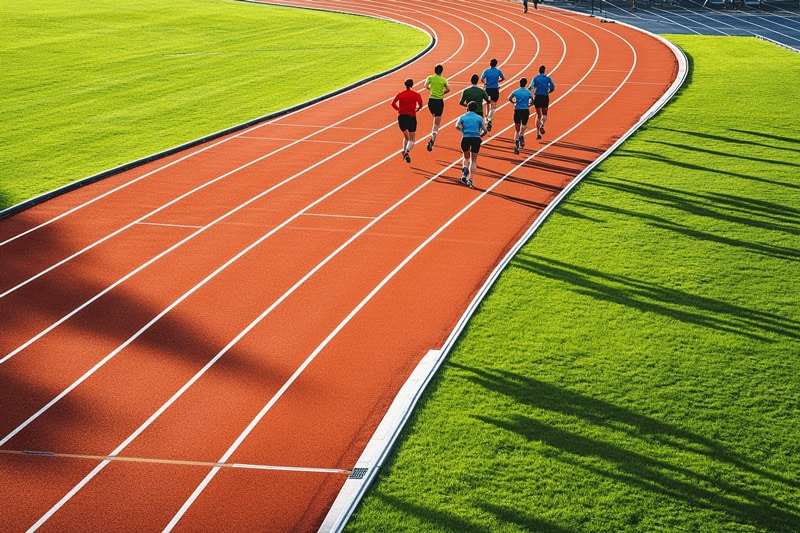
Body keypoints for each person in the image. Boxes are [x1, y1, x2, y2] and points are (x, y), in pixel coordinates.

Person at [455, 101, 487, 189]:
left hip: (465, 138)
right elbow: (485, 130)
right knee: (474, 160)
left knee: (465, 157)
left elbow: (456, 126)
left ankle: (465, 169)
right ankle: (471, 179)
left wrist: (463, 130)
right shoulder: (479, 118)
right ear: (476, 109)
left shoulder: (463, 116)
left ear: (467, 108)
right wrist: (481, 135)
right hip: (476, 138)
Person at [391, 78, 424, 162]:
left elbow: (393, 103)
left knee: (406, 137)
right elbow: (421, 104)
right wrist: (417, 109)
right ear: (412, 85)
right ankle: (406, 152)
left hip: (401, 117)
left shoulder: (400, 94)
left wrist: (399, 109)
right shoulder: (416, 94)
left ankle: (404, 151)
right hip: (411, 117)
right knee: (412, 139)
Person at [424, 64, 450, 151]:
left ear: (434, 70)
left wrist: (432, 89)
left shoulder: (430, 78)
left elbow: (426, 86)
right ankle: (432, 139)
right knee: (436, 124)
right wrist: (442, 92)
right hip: (439, 102)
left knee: (434, 116)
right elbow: (448, 89)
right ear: (441, 71)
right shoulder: (443, 80)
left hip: (431, 101)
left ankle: (433, 135)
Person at [508, 77, 534, 155]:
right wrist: (529, 105)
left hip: (517, 110)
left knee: (516, 130)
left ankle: (516, 148)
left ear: (520, 83)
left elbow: (509, 98)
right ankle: (522, 134)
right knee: (524, 125)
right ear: (526, 84)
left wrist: (514, 103)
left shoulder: (515, 91)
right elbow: (533, 101)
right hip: (525, 110)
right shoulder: (528, 92)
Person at [480, 59, 505, 131]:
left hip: (488, 89)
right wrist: (497, 81)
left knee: (487, 103)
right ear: (496, 64)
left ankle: (487, 117)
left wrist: (485, 83)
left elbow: (482, 79)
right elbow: (503, 78)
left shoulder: (486, 71)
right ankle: (489, 119)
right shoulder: (498, 71)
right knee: (493, 105)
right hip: (495, 89)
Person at [531, 65, 555, 140]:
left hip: (537, 97)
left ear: (539, 71)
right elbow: (552, 87)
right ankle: (542, 125)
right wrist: (548, 91)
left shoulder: (535, 78)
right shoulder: (548, 78)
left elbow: (531, 86)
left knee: (538, 115)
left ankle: (538, 133)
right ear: (544, 71)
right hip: (545, 96)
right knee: (544, 114)